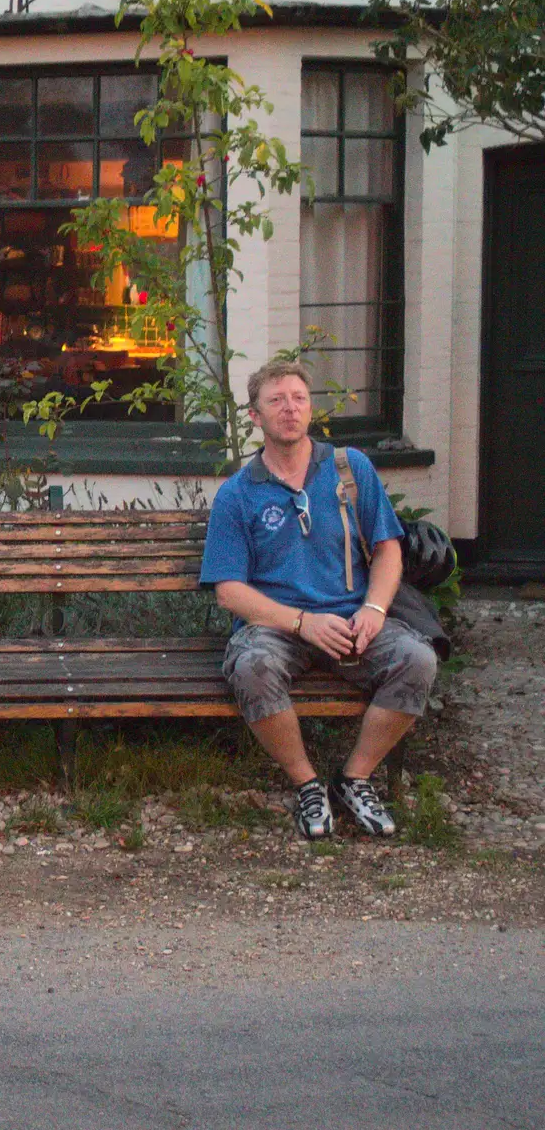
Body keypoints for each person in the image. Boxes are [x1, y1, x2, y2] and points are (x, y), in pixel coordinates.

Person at [200, 360, 439, 840]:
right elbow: (229, 591)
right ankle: (307, 783)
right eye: (276, 400)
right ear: (255, 416)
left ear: (310, 408)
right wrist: (303, 623)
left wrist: (373, 609)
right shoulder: (237, 495)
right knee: (252, 668)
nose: (290, 409)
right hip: (279, 627)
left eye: (299, 399)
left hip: (354, 619)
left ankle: (354, 778)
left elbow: (389, 548)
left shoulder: (350, 469)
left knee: (417, 660)